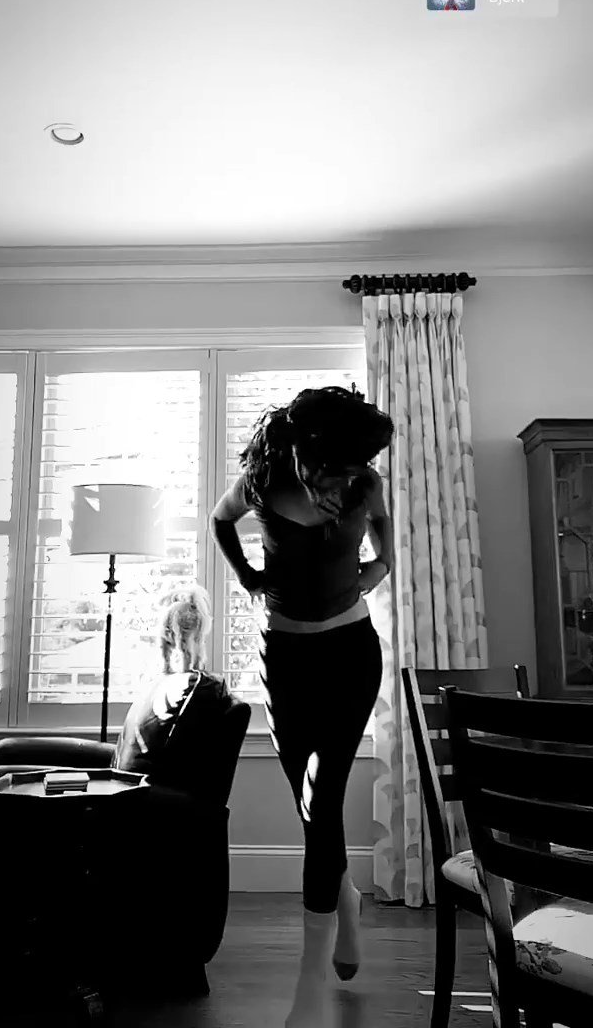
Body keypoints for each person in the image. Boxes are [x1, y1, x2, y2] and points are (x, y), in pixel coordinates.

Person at [209, 385, 394, 1028]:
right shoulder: (262, 481)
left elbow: (384, 546)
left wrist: (372, 573)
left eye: (356, 467)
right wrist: (247, 578)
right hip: (283, 659)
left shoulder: (365, 485)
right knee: (310, 806)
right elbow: (219, 520)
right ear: (305, 451)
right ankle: (346, 901)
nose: (348, 478)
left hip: (350, 653)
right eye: (337, 466)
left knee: (323, 794)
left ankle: (310, 982)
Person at [114, 584, 232, 788]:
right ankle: (189, 664)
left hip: (153, 787)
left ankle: (182, 664)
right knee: (189, 647)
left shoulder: (169, 624)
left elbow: (167, 646)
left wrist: (171, 668)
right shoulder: (187, 623)